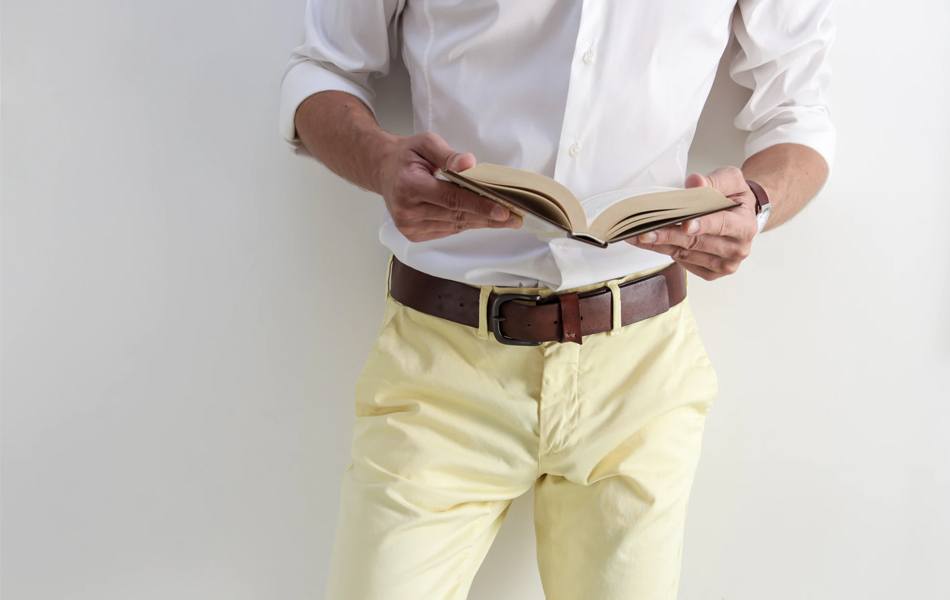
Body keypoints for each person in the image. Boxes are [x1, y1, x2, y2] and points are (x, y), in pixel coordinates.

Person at [279, 2, 834, 598]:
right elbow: (321, 72)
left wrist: (758, 201)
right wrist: (382, 163)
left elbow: (798, 116)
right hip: (442, 363)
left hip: (639, 374)